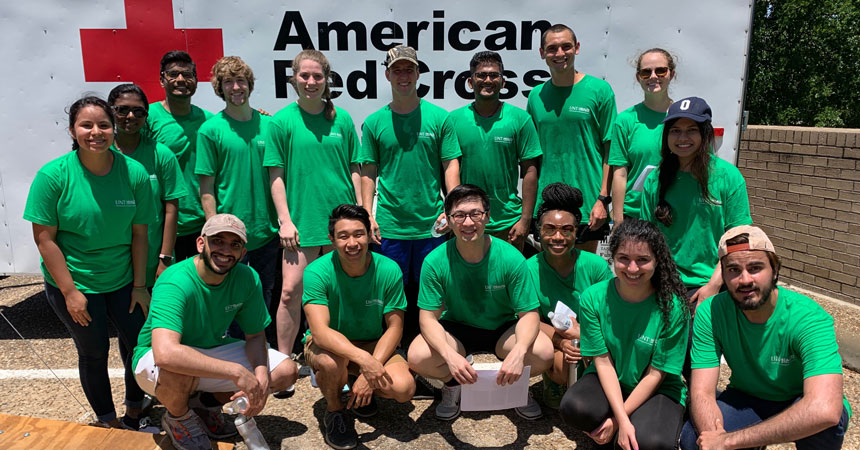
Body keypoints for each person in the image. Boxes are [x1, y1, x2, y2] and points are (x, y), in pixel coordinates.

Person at [24, 96, 156, 431]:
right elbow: (45, 240)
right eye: (86, 125)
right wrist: (70, 292)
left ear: (113, 129)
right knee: (94, 352)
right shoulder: (53, 176)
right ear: (72, 130)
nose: (96, 132)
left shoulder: (134, 173)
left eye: (103, 125)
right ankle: (108, 422)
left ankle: (135, 414)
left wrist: (140, 286)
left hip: (124, 279)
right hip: (76, 282)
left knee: (139, 346)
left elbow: (140, 235)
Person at [132, 214, 298, 450]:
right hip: (154, 358)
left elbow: (255, 336)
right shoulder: (175, 281)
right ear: (201, 243)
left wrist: (260, 378)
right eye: (217, 241)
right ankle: (179, 418)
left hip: (209, 346)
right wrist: (236, 372)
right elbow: (165, 354)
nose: (226, 250)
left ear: (242, 252)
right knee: (177, 369)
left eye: (234, 244)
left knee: (285, 371)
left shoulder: (247, 277)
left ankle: (204, 406)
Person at [680, 225, 850, 450]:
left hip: (800, 397)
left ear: (775, 270)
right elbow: (702, 392)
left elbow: (824, 409)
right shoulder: (710, 312)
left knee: (825, 428)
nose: (745, 280)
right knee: (695, 440)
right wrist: (714, 440)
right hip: (748, 397)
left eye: (755, 268)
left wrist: (728, 441)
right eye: (733, 270)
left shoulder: (808, 317)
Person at [407, 184, 553, 421]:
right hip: (456, 327)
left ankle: (516, 386)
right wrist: (449, 356)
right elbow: (428, 318)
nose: (468, 222)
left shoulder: (511, 257)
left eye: (475, 214)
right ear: (448, 220)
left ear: (487, 216)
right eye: (459, 215)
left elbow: (529, 314)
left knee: (544, 353)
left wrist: (519, 352)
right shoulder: (435, 261)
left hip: (502, 327)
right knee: (417, 356)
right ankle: (452, 384)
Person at [264, 49, 362, 365]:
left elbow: (355, 168)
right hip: (301, 222)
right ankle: (283, 362)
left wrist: (361, 213)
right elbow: (276, 175)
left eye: (317, 76)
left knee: (339, 292)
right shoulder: (281, 121)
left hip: (341, 222)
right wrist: (285, 220)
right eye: (304, 75)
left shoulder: (342, 119)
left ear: (326, 79)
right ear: (294, 78)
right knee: (290, 292)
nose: (311, 81)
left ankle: (334, 358)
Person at [358, 45, 461, 344]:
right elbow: (368, 171)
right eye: (397, 70)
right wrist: (367, 215)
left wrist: (451, 208)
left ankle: (430, 349)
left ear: (418, 74)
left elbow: (450, 164)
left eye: (409, 70)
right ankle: (395, 349)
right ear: (387, 75)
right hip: (390, 225)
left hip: (432, 224)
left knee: (432, 292)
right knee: (393, 293)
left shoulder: (439, 118)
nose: (403, 76)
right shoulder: (375, 122)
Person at [559, 219, 690, 450]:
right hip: (610, 377)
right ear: (612, 258)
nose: (632, 268)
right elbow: (602, 361)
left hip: (657, 386)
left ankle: (639, 422)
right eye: (624, 258)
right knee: (574, 407)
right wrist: (621, 418)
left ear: (657, 260)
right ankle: (614, 427)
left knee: (652, 443)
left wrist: (617, 421)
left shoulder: (673, 308)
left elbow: (656, 374)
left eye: (643, 260)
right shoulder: (593, 298)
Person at [302, 205, 416, 449]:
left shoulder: (389, 269)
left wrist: (369, 371)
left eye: (359, 234)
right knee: (331, 364)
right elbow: (320, 332)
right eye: (343, 236)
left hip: (371, 341)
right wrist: (366, 363)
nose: (352, 243)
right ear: (331, 239)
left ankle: (358, 386)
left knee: (404, 389)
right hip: (330, 345)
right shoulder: (316, 271)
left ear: (370, 235)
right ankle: (335, 411)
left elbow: (395, 328)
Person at [640, 96, 752, 306]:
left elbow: (739, 239)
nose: (682, 137)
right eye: (675, 130)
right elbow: (647, 239)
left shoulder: (728, 176)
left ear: (705, 133)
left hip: (712, 285)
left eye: (691, 130)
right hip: (664, 284)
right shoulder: (655, 180)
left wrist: (713, 286)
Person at [196, 56, 280, 318]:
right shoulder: (210, 130)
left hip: (267, 230)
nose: (235, 87)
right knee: (228, 297)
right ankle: (231, 341)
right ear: (220, 88)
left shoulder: (270, 125)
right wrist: (213, 231)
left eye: (241, 81)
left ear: (249, 85)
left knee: (264, 292)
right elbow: (206, 187)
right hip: (229, 233)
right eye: (228, 82)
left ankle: (258, 339)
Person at [527, 24, 617, 254]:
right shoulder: (536, 96)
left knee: (584, 269)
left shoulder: (600, 90)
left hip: (588, 202)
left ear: (576, 48)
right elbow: (531, 158)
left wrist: (603, 199)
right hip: (546, 202)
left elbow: (611, 150)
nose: (559, 53)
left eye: (566, 46)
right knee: (550, 269)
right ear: (542, 53)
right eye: (552, 48)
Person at [526, 183, 613, 408]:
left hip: (592, 336)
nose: (558, 237)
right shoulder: (528, 270)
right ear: (538, 231)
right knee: (563, 366)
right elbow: (528, 319)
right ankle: (556, 379)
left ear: (576, 232)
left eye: (567, 230)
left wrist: (586, 338)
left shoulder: (595, 266)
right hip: (554, 339)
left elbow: (610, 313)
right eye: (549, 229)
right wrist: (561, 342)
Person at [448, 51, 541, 251]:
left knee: (507, 272)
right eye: (481, 75)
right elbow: (447, 170)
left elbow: (530, 171)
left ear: (503, 82)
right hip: (467, 223)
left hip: (509, 223)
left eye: (494, 75)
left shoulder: (520, 119)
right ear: (470, 82)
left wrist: (525, 220)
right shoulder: (453, 121)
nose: (488, 80)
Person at [109, 84, 187, 288]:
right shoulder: (100, 154)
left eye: (138, 111)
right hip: (112, 263)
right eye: (122, 110)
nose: (130, 116)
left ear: (146, 115)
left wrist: (165, 258)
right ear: (111, 111)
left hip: (152, 261)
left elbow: (171, 209)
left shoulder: (161, 155)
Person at [147, 50, 212, 261]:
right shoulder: (147, 118)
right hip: (160, 224)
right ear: (162, 80)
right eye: (173, 74)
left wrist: (261, 117)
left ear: (196, 81)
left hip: (201, 223)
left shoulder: (210, 121)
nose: (181, 80)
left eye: (188, 74)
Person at [609, 48, 676, 224]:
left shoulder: (684, 118)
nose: (653, 76)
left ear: (672, 74)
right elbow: (620, 174)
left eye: (660, 71)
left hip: (676, 213)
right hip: (635, 214)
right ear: (638, 78)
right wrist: (618, 220)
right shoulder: (625, 120)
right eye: (646, 72)